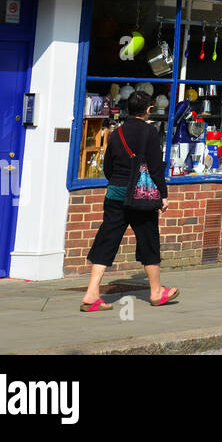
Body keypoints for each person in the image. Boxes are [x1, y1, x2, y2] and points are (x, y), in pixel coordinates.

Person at [79, 90, 178, 311]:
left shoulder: (116, 133)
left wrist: (118, 183)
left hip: (115, 193)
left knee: (107, 239)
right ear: (149, 110)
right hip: (140, 197)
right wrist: (163, 195)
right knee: (148, 240)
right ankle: (155, 292)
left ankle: (91, 293)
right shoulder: (150, 132)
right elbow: (154, 168)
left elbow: (107, 168)